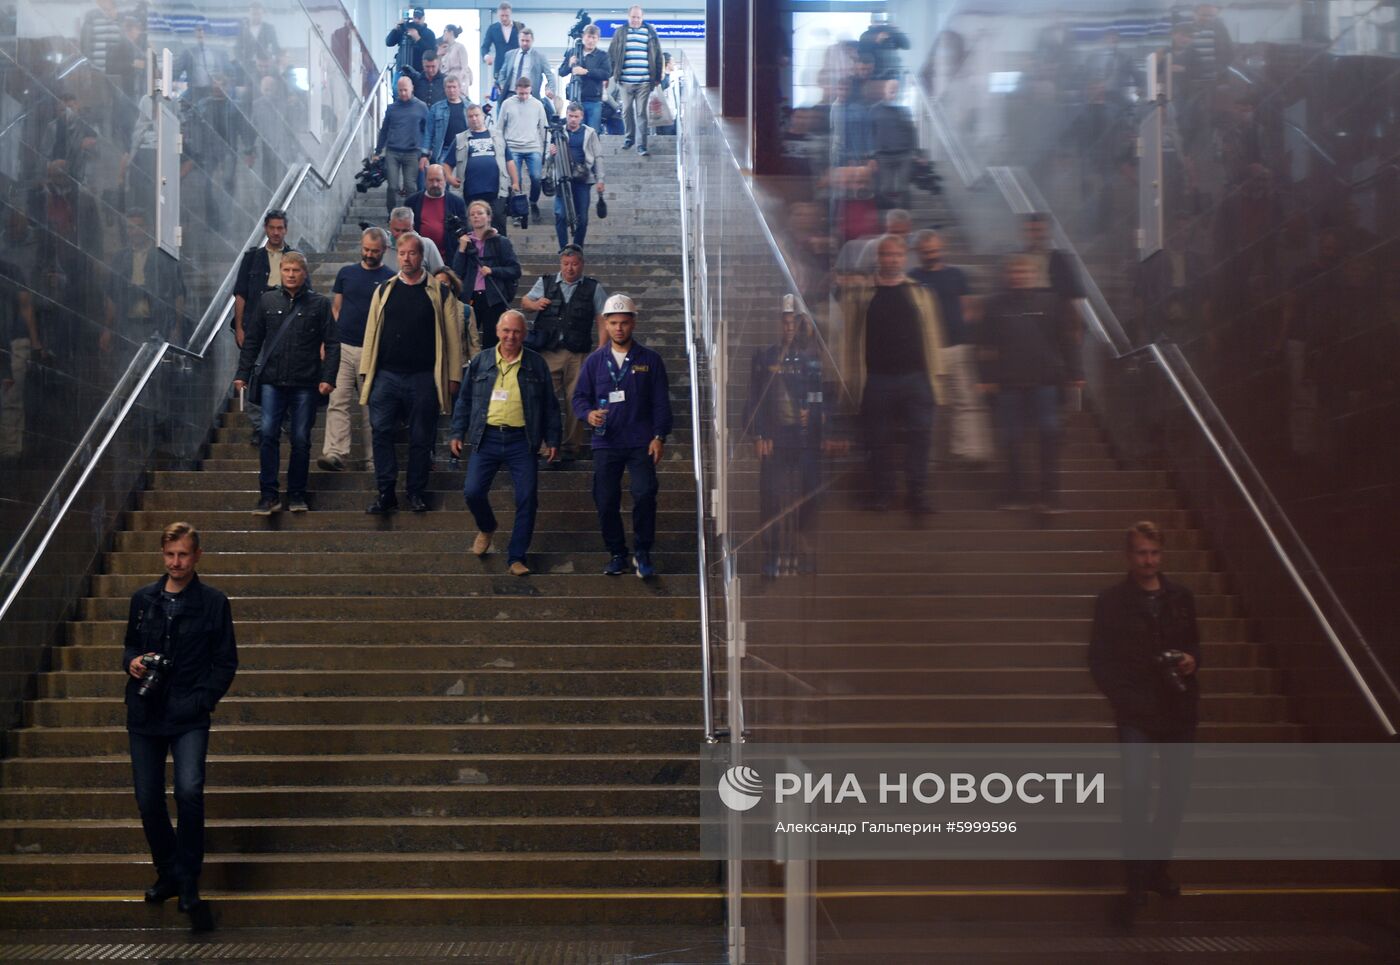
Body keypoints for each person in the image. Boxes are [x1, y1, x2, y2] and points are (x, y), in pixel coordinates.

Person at [123, 521, 237, 933]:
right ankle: (168, 871)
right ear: (162, 554)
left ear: (197, 556)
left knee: (189, 791)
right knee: (147, 798)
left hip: (189, 713)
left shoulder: (213, 602)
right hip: (145, 712)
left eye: (183, 554)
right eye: (170, 554)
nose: (176, 562)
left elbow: (226, 661)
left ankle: (188, 879)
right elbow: (130, 646)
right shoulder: (143, 600)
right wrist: (133, 663)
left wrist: (203, 700)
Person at [1089, 521, 1200, 925]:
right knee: (1136, 792)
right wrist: (1123, 697)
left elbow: (1195, 644)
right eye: (1141, 552)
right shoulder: (1112, 601)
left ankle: (1157, 869)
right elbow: (1097, 659)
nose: (1148, 560)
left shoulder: (1182, 598)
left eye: (1153, 552)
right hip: (1136, 711)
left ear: (1161, 554)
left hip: (1178, 709)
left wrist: (1191, 661)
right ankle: (1136, 878)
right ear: (1129, 555)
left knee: (1175, 794)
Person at [840, 234, 946, 517]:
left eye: (897, 255)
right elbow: (849, 339)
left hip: (916, 378)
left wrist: (937, 376)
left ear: (905, 258)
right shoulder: (862, 294)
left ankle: (917, 493)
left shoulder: (920, 293)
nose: (892, 260)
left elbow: (932, 336)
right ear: (879, 258)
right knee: (877, 439)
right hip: (877, 379)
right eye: (887, 255)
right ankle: (882, 492)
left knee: (920, 437)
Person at [450, 310, 561, 576]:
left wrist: (553, 438)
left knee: (527, 498)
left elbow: (550, 405)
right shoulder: (481, 361)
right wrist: (457, 432)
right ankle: (487, 526)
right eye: (506, 331)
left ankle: (516, 556)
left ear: (524, 334)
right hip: (486, 437)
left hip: (521, 441)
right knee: (473, 492)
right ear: (498, 331)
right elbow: (464, 399)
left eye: (517, 332)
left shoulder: (536, 364)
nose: (511, 336)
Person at [358, 232, 463, 514]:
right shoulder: (384, 290)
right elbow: (371, 332)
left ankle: (416, 491)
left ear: (422, 256)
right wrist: (366, 371)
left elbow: (453, 338)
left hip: (423, 377)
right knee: (380, 432)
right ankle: (385, 492)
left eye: (412, 253)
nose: (406, 258)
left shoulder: (440, 292)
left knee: (421, 437)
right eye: (402, 253)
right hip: (386, 375)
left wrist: (454, 376)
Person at [571, 294, 672, 578]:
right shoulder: (593, 362)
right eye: (613, 323)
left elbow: (661, 402)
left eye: (624, 323)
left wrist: (659, 436)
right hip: (606, 442)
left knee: (644, 493)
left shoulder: (650, 360)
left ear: (633, 323)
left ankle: (642, 550)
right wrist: (588, 414)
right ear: (605, 323)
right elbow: (579, 398)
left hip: (641, 441)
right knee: (605, 499)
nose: (619, 328)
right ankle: (617, 553)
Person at [977, 253, 1083, 512]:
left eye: (1024, 272)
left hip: (1045, 381)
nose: (1019, 277)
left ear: (1034, 275)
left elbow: (1066, 340)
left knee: (1049, 434)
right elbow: (984, 345)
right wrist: (987, 377)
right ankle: (1013, 493)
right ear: (1007, 275)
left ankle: (1049, 495)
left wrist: (1075, 372)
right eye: (1015, 272)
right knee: (1011, 438)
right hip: (1009, 383)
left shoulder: (1051, 302)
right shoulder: (994, 305)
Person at [233, 252, 337, 515]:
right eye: (287, 270)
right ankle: (268, 495)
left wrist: (328, 378)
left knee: (301, 439)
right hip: (272, 381)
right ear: (280, 271)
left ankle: (297, 493)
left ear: (305, 273)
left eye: (296, 270)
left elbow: (333, 344)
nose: (291, 274)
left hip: (305, 382)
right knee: (268, 434)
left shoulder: (320, 304)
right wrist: (242, 373)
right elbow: (253, 340)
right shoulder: (267, 301)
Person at [745, 295, 826, 579]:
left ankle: (801, 549)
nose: (789, 327)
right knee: (771, 497)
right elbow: (754, 398)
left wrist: (813, 414)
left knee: (810, 495)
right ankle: (772, 554)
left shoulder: (811, 360)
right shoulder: (765, 357)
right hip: (775, 438)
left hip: (804, 439)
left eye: (794, 322)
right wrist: (758, 433)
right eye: (785, 321)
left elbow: (820, 396)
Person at [521, 244, 608, 466]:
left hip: (577, 354)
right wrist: (535, 303)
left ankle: (571, 447)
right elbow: (524, 303)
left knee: (575, 400)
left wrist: (601, 347)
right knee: (542, 397)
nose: (570, 268)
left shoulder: (592, 287)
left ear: (582, 264)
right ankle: (542, 446)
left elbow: (602, 317)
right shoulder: (546, 282)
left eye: (574, 264)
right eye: (566, 264)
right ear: (561, 264)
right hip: (548, 351)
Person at [910, 230, 991, 467]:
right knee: (931, 403)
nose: (931, 255)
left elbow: (968, 305)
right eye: (926, 252)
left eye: (934, 250)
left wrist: (967, 330)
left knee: (966, 399)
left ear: (941, 248)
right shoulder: (912, 278)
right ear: (917, 253)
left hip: (958, 346)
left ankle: (970, 451)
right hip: (927, 350)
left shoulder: (956, 274)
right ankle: (931, 455)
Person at [319, 227, 395, 472]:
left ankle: (374, 460)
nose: (369, 254)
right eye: (365, 249)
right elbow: (336, 309)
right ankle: (334, 453)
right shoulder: (346, 273)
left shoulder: (390, 278)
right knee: (337, 400)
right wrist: (326, 342)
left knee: (371, 406)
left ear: (384, 250)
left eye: (374, 251)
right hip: (341, 346)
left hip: (372, 351)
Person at [452, 200, 521, 352]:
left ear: (489, 217)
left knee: (492, 342)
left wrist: (493, 270)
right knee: (467, 340)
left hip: (493, 298)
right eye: (472, 214)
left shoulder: (500, 242)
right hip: (470, 297)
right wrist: (462, 249)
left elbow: (515, 270)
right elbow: (456, 273)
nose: (476, 217)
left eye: (480, 213)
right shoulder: (465, 241)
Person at [546, 103, 606, 251]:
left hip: (583, 178)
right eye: (570, 116)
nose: (572, 119)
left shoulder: (589, 132)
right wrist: (550, 153)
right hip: (562, 177)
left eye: (576, 116)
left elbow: (598, 156)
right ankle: (564, 249)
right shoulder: (557, 132)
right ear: (566, 115)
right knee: (560, 215)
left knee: (583, 218)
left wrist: (600, 179)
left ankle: (577, 249)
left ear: (582, 117)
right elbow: (548, 160)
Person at [609, 5, 663, 156]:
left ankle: (641, 146)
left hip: (644, 81)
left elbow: (658, 56)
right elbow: (612, 53)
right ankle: (629, 138)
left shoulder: (650, 32)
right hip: (625, 81)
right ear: (628, 17)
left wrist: (657, 76)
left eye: (638, 17)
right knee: (626, 110)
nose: (636, 20)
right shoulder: (620, 32)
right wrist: (614, 73)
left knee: (641, 113)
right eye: (633, 17)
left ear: (642, 18)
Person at [373, 77, 429, 217]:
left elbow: (427, 130)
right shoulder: (392, 108)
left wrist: (425, 153)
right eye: (400, 90)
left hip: (412, 152)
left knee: (411, 187)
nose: (403, 93)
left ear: (412, 88)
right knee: (392, 186)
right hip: (393, 151)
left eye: (405, 90)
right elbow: (384, 130)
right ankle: (391, 215)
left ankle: (411, 216)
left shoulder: (421, 107)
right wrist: (377, 151)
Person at [452, 103, 511, 235]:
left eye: (477, 115)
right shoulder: (460, 138)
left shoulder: (498, 136)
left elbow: (509, 160)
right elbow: (446, 164)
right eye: (470, 116)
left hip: (496, 191)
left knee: (499, 229)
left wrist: (516, 182)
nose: (474, 118)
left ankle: (500, 254)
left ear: (483, 116)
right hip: (470, 193)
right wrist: (450, 178)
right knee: (473, 231)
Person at [495, 76, 548, 219]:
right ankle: (518, 211)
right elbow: (499, 128)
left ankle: (533, 202)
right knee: (515, 181)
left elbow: (544, 128)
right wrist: (500, 147)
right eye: (521, 93)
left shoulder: (537, 104)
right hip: (513, 147)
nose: (524, 96)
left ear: (530, 90)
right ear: (516, 90)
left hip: (533, 147)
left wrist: (547, 149)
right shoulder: (507, 104)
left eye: (526, 93)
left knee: (536, 177)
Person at [406, 164, 467, 257]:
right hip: (419, 257)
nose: (435, 184)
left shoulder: (457, 203)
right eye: (431, 180)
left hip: (449, 258)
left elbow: (465, 230)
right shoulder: (412, 202)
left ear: (445, 180)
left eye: (438, 180)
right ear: (425, 180)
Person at [561, 24, 612, 131]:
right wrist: (569, 65)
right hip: (575, 100)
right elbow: (561, 72)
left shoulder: (602, 55)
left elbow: (607, 73)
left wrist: (586, 72)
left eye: (594, 38)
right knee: (575, 131)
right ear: (583, 36)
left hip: (594, 101)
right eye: (588, 37)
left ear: (598, 39)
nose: (591, 40)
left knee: (593, 133)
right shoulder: (572, 52)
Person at [496, 27, 552, 109]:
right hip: (511, 94)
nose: (525, 43)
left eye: (527, 41)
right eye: (522, 40)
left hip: (530, 96)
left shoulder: (540, 57)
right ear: (519, 40)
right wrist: (502, 84)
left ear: (532, 41)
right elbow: (502, 73)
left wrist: (550, 89)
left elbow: (550, 75)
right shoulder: (510, 54)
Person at [425, 76, 472, 173]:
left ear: (459, 88)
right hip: (444, 151)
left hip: (465, 150)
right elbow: (429, 132)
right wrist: (425, 153)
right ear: (444, 89)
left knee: (463, 181)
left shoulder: (469, 107)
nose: (452, 90)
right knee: (443, 182)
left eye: (454, 87)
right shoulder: (436, 108)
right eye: (449, 87)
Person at [384, 207, 445, 274]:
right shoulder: (382, 246)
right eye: (397, 230)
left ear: (412, 226)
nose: (401, 235)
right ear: (390, 225)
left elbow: (441, 275)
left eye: (405, 231)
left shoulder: (427, 245)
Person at [480, 3, 520, 90]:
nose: (504, 18)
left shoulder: (519, 27)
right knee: (500, 96)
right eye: (502, 16)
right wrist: (486, 57)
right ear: (498, 14)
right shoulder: (492, 29)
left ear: (510, 14)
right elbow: (484, 47)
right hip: (500, 67)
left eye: (507, 15)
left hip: (516, 67)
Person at [386, 8, 436, 76]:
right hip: (401, 70)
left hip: (419, 72)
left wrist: (418, 39)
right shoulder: (404, 29)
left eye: (419, 18)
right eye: (415, 17)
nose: (417, 20)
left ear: (424, 18)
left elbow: (431, 52)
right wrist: (396, 29)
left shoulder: (429, 33)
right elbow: (389, 42)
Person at [438, 25, 473, 94]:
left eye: (445, 31)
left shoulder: (460, 47)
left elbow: (464, 67)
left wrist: (460, 84)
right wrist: (439, 55)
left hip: (458, 78)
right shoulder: (444, 48)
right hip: (446, 79)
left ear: (451, 32)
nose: (443, 34)